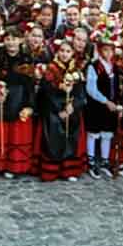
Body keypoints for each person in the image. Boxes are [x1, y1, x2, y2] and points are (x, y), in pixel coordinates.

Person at [0, 27, 36, 179]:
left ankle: (13, 165)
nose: (11, 42)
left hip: (19, 97)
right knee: (1, 131)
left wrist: (29, 105)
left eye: (14, 39)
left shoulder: (26, 60)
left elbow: (30, 85)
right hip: (2, 97)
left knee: (15, 133)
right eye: (8, 39)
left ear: (21, 40)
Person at [38, 40, 86, 182]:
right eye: (62, 51)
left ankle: (68, 170)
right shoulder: (50, 70)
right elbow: (46, 92)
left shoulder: (76, 71)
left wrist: (73, 106)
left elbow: (80, 94)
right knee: (53, 138)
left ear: (72, 54)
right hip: (53, 111)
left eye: (68, 51)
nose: (64, 54)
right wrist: (59, 109)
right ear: (57, 52)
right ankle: (51, 170)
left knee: (70, 139)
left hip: (71, 112)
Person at [84, 24, 123, 179]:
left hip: (111, 106)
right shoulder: (94, 66)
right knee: (94, 133)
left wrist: (117, 104)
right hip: (97, 106)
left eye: (111, 50)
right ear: (99, 50)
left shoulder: (114, 67)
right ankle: (91, 161)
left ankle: (105, 161)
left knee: (107, 133)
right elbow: (91, 88)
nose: (108, 53)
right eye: (105, 50)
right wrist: (105, 101)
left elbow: (117, 86)